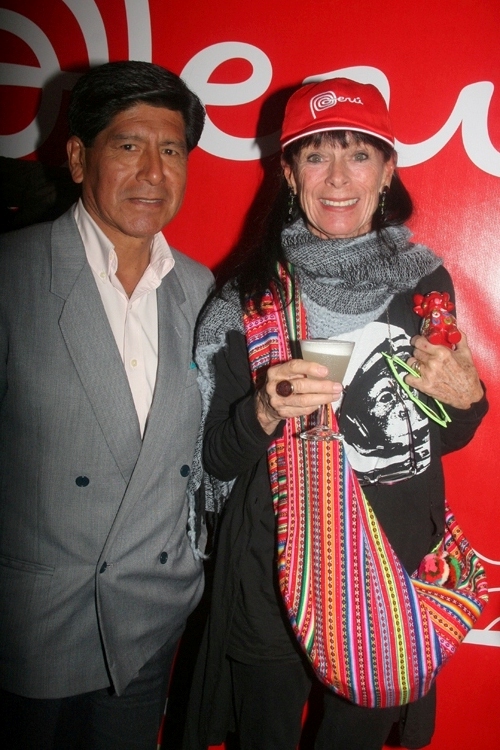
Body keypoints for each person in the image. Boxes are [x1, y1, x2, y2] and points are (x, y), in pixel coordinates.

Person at [183, 78, 488, 750]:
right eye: (317, 156)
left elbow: (440, 436)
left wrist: (469, 400)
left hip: (390, 573)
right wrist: (264, 408)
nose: (339, 178)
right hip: (275, 571)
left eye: (358, 154)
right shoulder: (247, 300)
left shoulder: (422, 282)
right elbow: (215, 460)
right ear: (289, 174)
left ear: (388, 171)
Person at [0, 61, 213, 749]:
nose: (153, 172)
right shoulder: (14, 275)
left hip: (150, 620)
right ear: (76, 157)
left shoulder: (203, 291)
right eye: (128, 145)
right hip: (33, 626)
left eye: (171, 150)